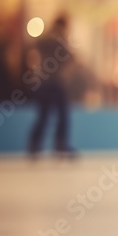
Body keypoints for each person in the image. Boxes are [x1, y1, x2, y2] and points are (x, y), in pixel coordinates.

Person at [27, 15, 76, 158]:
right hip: (56, 83)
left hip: (42, 83)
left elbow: (32, 52)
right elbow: (72, 58)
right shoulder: (61, 40)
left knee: (43, 115)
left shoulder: (43, 38)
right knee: (62, 115)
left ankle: (34, 144)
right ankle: (60, 144)